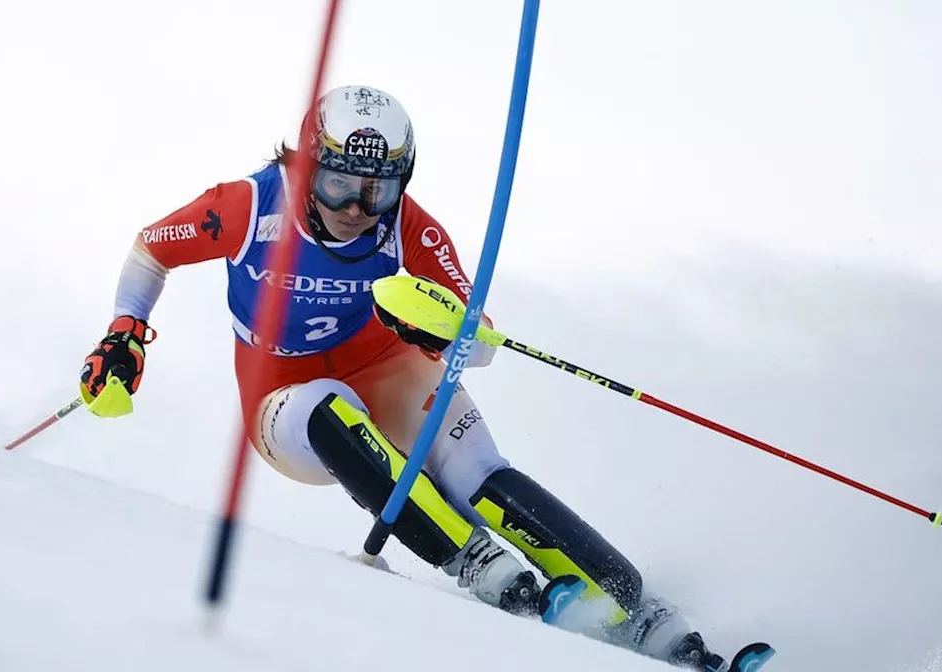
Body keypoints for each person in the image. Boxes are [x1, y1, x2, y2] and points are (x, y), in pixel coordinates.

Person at [79, 84, 725, 669]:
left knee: (475, 470)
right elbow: (152, 248)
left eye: (379, 189)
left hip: (384, 367)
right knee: (326, 405)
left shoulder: (409, 228)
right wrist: (125, 331)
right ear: (306, 166)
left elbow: (482, 341)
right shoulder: (245, 207)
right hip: (283, 396)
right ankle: (475, 559)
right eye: (338, 184)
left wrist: (446, 331)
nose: (358, 207)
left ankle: (630, 606)